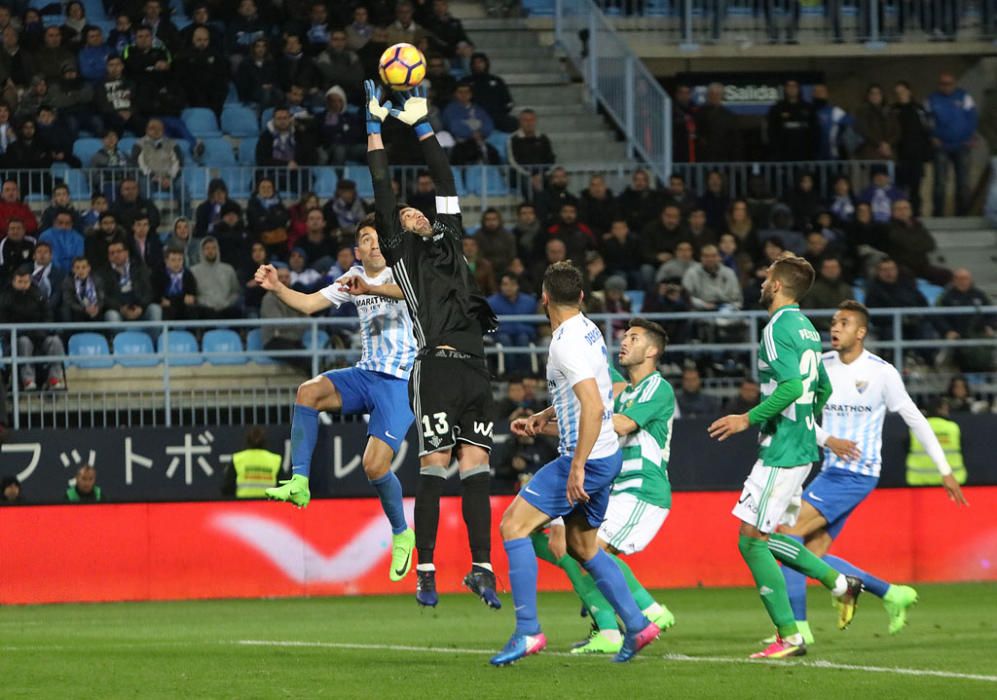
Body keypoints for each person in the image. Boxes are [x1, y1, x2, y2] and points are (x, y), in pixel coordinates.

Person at [365, 82, 500, 608]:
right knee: (435, 463)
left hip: (476, 367)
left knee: (477, 466)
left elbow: (443, 175)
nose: (411, 214)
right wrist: (375, 128)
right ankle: (425, 569)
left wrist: (422, 124)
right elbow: (381, 187)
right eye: (403, 215)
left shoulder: (449, 235)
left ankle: (482, 569)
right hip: (437, 365)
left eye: (416, 212)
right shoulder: (402, 255)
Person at [491, 262, 659, 666]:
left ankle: (528, 629)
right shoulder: (589, 328)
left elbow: (593, 403)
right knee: (583, 547)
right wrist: (542, 417)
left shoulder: (565, 342)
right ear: (581, 297)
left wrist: (578, 465)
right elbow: (582, 392)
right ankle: (638, 624)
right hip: (607, 456)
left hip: (586, 456)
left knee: (513, 526)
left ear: (544, 299)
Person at [773, 301, 967, 646]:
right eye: (833, 322)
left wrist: (944, 470)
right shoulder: (821, 366)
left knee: (787, 535)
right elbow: (799, 414)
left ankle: (796, 631)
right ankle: (891, 593)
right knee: (811, 556)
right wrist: (827, 439)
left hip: (857, 474)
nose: (835, 328)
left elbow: (915, 419)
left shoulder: (881, 372)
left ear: (860, 332)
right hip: (832, 469)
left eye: (844, 323)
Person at [708, 253, 861, 659]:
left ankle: (790, 636)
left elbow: (793, 387)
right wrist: (807, 424)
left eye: (766, 277)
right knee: (766, 537)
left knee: (751, 541)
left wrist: (748, 418)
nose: (761, 281)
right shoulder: (808, 328)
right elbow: (822, 387)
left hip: (784, 450)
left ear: (776, 285)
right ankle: (841, 584)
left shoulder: (777, 329)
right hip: (799, 447)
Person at [257, 211, 417, 581]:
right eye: (365, 239)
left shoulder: (405, 273)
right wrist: (278, 287)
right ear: (357, 250)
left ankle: (401, 532)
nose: (372, 244)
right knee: (308, 392)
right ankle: (299, 481)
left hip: (401, 381)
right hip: (365, 375)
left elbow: (415, 293)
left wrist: (371, 289)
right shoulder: (351, 279)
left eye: (378, 238)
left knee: (374, 466)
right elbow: (310, 304)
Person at [534, 318, 677, 654]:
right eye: (624, 336)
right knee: (576, 547)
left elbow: (622, 424)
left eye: (635, 337)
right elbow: (593, 418)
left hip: (644, 489)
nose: (624, 342)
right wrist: (544, 425)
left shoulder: (658, 388)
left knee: (592, 547)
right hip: (617, 488)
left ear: (652, 350)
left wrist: (589, 417)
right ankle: (615, 626)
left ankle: (646, 612)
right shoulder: (621, 393)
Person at [0, 266, 66, 390]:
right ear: (14, 281)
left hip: (39, 335)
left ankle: (54, 378)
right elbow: (3, 324)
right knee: (24, 342)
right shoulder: (5, 298)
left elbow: (48, 316)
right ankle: (28, 380)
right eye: (20, 282)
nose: (23, 285)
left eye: (26, 282)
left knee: (55, 342)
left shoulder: (38, 294)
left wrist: (43, 330)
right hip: (16, 338)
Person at [927, 72, 977, 216]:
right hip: (941, 146)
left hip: (962, 145)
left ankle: (962, 215)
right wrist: (932, 136)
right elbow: (927, 119)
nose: (946, 87)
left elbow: (972, 117)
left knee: (963, 183)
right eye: (943, 84)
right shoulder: (932, 99)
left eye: (949, 83)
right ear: (939, 85)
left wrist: (970, 136)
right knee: (940, 183)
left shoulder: (964, 96)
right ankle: (938, 215)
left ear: (954, 84)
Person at [885, 199, 951, 286]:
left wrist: (913, 243)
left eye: (905, 208)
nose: (903, 211)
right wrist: (918, 242)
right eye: (899, 209)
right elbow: (905, 243)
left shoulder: (918, 225)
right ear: (893, 212)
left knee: (946, 274)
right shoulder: (888, 228)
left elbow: (930, 244)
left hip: (922, 265)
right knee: (906, 275)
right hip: (901, 266)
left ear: (910, 211)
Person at [892, 81, 934, 217]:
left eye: (902, 92)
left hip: (916, 156)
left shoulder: (919, 110)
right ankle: (900, 216)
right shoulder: (893, 110)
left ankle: (916, 215)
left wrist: (927, 155)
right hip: (899, 156)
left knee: (915, 189)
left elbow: (927, 132)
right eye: (897, 93)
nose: (900, 95)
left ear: (909, 92)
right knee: (899, 189)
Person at [100, 239, 161, 325]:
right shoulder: (103, 273)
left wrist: (141, 307)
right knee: (111, 316)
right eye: (112, 253)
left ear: (126, 253)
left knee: (155, 309)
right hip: (119, 311)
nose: (115, 255)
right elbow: (104, 297)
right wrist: (121, 309)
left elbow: (149, 290)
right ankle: (120, 339)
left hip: (140, 309)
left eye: (119, 251)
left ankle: (154, 338)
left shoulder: (140, 268)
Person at [487, 272, 537, 372]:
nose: (508, 287)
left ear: (517, 286)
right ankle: (509, 374)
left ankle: (525, 374)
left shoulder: (530, 302)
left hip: (524, 335)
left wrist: (511, 327)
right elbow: (490, 326)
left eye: (512, 284)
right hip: (500, 335)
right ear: (500, 286)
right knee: (505, 339)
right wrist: (515, 327)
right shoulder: (490, 302)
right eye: (505, 284)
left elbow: (534, 326)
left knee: (523, 338)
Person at [223, 426, 282, 498]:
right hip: (269, 505)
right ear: (264, 442)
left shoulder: (237, 459)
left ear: (247, 441)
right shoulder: (275, 460)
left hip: (244, 505)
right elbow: (283, 487)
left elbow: (227, 487)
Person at [191, 237, 241, 319]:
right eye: (207, 248)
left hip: (226, 309)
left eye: (213, 248)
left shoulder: (228, 269)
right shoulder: (193, 271)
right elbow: (193, 295)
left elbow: (235, 292)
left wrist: (227, 303)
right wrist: (205, 303)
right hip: (204, 311)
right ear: (202, 251)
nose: (210, 251)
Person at [766, 79, 817, 162]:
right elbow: (771, 131)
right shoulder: (777, 108)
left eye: (794, 86)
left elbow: (815, 130)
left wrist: (813, 151)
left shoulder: (809, 108)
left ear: (799, 88)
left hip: (805, 153)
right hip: (783, 154)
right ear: (785, 89)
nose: (792, 89)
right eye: (789, 86)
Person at [681, 244, 742, 311]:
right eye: (706, 256)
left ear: (719, 257)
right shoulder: (691, 273)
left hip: (726, 308)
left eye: (713, 256)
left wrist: (730, 307)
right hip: (700, 310)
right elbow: (686, 297)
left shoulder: (729, 273)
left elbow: (737, 298)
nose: (710, 259)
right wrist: (703, 304)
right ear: (701, 258)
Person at [508, 109, 555, 188]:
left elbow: (550, 159)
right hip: (522, 175)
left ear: (535, 121)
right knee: (527, 184)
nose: (529, 123)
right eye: (525, 120)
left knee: (554, 181)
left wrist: (540, 175)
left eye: (531, 120)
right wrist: (530, 176)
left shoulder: (543, 138)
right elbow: (513, 162)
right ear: (520, 122)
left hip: (541, 174)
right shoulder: (513, 139)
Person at [695, 82, 742, 162]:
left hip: (723, 159)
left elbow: (735, 141)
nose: (714, 96)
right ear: (707, 95)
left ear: (722, 96)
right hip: (702, 158)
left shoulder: (729, 116)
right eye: (712, 94)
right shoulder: (697, 113)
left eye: (717, 94)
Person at [853, 84, 898, 161]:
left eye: (878, 93)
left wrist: (888, 145)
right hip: (871, 153)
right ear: (868, 96)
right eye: (872, 93)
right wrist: (880, 145)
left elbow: (897, 130)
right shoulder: (862, 111)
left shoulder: (890, 112)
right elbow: (864, 130)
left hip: (889, 153)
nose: (875, 96)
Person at [153, 247, 198, 321]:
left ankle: (192, 332)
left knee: (192, 309)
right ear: (166, 261)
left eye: (180, 260)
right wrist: (181, 300)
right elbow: (158, 297)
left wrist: (172, 301)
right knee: (167, 310)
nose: (177, 263)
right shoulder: (158, 274)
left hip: (183, 307)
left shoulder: (188, 275)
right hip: (167, 309)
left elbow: (191, 296)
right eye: (173, 260)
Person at [62, 256, 105, 323]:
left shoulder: (97, 280)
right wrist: (84, 309)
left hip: (95, 312)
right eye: (77, 268)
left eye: (84, 267)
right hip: (77, 313)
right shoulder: (68, 282)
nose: (80, 270)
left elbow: (101, 298)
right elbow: (69, 301)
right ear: (73, 269)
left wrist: (97, 308)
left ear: (89, 268)